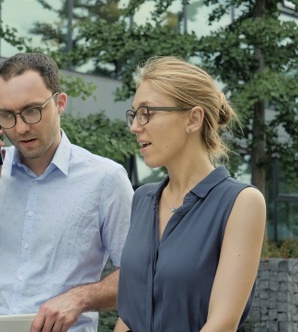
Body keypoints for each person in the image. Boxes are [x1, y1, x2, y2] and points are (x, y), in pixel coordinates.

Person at [0, 52, 134, 332]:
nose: (20, 128)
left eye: (32, 110)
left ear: (60, 103)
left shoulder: (106, 179)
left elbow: (140, 274)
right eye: (7, 115)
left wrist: (79, 298)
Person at [114, 56, 266, 332]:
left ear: (193, 119)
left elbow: (221, 324)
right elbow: (128, 316)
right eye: (134, 114)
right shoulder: (142, 199)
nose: (135, 126)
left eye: (147, 112)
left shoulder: (241, 203)